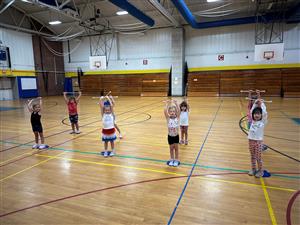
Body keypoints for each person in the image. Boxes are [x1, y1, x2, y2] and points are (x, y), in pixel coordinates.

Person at [247, 99, 268, 178]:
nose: (256, 115)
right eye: (255, 114)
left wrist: (261, 104)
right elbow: (251, 111)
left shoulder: (262, 122)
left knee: (258, 157)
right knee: (252, 156)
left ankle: (260, 171)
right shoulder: (252, 121)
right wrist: (255, 103)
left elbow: (265, 113)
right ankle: (253, 169)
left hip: (258, 142)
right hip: (251, 141)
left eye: (258, 114)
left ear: (261, 115)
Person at [164, 99, 180, 167]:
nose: (172, 112)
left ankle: (176, 159)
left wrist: (176, 103)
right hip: (170, 136)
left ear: (175, 112)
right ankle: (171, 159)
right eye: (171, 111)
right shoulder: (168, 119)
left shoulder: (177, 118)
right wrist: (167, 104)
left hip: (176, 136)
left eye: (173, 111)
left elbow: (179, 110)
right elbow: (165, 111)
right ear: (169, 112)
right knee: (171, 149)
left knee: (176, 148)